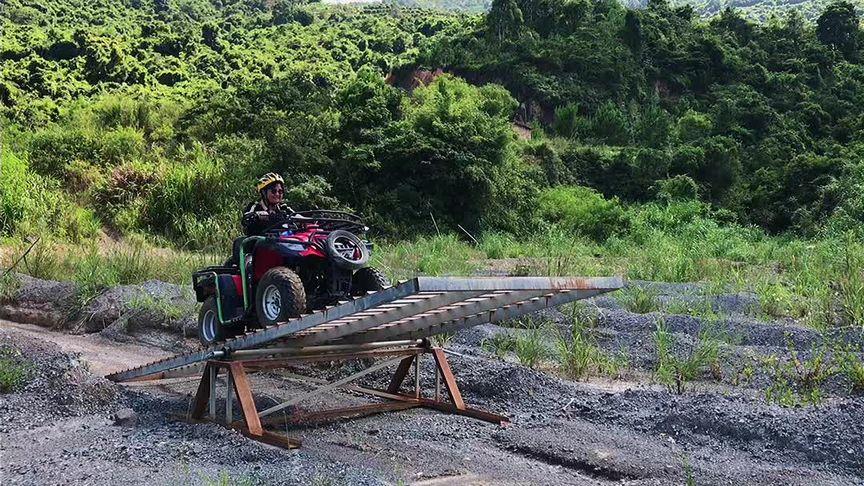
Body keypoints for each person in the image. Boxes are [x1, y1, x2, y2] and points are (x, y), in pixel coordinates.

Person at [226, 173, 294, 267]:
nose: (277, 194)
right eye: (273, 191)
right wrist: (256, 215)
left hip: (281, 244)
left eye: (280, 191)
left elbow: (297, 216)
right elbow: (246, 218)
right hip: (259, 246)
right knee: (242, 245)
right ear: (264, 192)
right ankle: (248, 274)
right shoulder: (255, 206)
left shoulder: (284, 209)